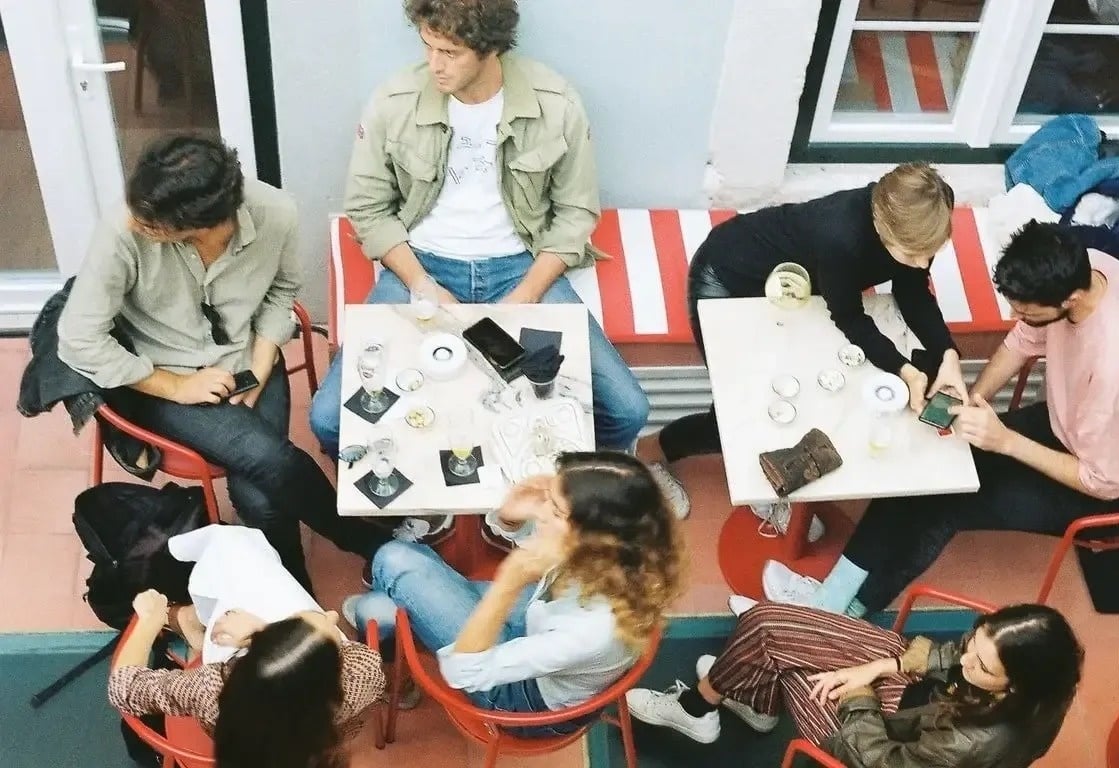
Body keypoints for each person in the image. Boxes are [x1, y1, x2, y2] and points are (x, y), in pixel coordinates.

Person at [306, 0, 683, 513]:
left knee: (627, 408)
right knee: (329, 418)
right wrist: (421, 282)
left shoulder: (555, 101)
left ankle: (574, 492)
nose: (434, 63)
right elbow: (368, 209)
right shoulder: (394, 101)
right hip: (424, 266)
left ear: (491, 48)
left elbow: (575, 213)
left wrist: (526, 295)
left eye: (450, 52)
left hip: (523, 266)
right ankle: (405, 510)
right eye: (427, 46)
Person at [761, 222, 1119, 617]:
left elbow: (1103, 481)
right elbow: (1022, 341)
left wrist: (1004, 441)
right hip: (1072, 425)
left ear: (1068, 301)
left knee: (945, 503)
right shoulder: (1090, 267)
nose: (1019, 319)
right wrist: (968, 397)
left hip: (1117, 483)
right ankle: (829, 601)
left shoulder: (1116, 369)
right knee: (922, 470)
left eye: (1027, 312)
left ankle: (846, 615)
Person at [57, 134, 390, 593]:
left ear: (205, 224)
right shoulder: (125, 230)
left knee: (259, 495)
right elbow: (77, 340)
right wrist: (175, 386)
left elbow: (282, 289)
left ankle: (294, 605)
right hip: (162, 376)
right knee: (266, 458)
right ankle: (364, 543)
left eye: (154, 225)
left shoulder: (276, 213)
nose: (139, 223)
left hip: (247, 355)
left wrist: (263, 357)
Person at [635, 162, 966, 532]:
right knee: (738, 409)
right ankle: (651, 451)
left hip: (797, 287)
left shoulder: (925, 217)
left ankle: (772, 467)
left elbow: (913, 287)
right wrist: (905, 369)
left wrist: (948, 354)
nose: (922, 263)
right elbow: (850, 317)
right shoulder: (840, 236)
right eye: (910, 254)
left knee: (808, 390)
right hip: (729, 278)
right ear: (881, 227)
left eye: (930, 252)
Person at [344, 451, 685, 734]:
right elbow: (538, 545)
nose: (542, 514)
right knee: (382, 604)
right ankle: (387, 614)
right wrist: (509, 517)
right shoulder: (625, 553)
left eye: (554, 510)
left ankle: (387, 640)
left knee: (393, 560)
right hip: (541, 628)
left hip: (523, 703)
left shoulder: (590, 630)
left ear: (594, 537)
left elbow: (463, 672)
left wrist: (510, 581)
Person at [625, 601, 1083, 767]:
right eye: (974, 640)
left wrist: (860, 693)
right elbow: (952, 658)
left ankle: (701, 707)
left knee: (779, 663)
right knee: (763, 622)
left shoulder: (968, 744)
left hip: (875, 740)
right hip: (914, 696)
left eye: (981, 664)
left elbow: (880, 761)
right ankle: (734, 702)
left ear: (1014, 688)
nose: (965, 658)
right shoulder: (1029, 667)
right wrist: (880, 667)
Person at [108, 588, 385, 768]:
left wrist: (150, 619)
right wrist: (263, 634)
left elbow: (123, 687)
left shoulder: (210, 689)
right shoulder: (363, 673)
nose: (334, 613)